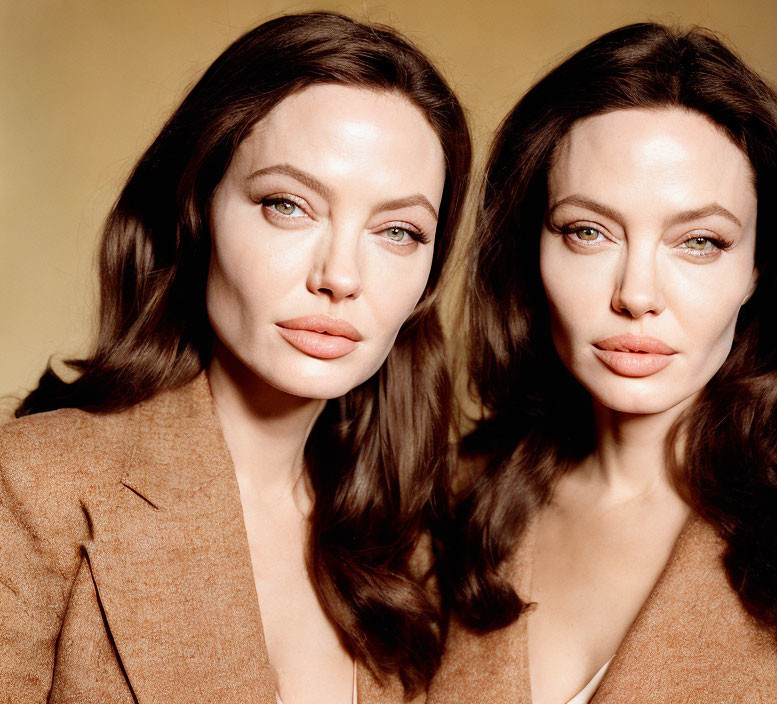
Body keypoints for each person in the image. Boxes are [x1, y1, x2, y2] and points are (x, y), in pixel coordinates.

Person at [0, 12, 470, 704]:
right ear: (198, 209)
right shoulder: (34, 485)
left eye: (398, 231)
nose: (340, 275)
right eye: (288, 204)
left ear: (428, 278)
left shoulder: (415, 545)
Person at [428, 23, 777, 704]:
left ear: (760, 268)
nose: (637, 294)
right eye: (588, 231)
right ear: (530, 251)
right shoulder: (442, 511)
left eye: (699, 242)